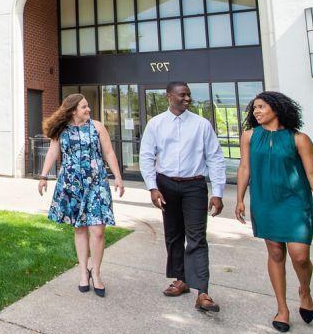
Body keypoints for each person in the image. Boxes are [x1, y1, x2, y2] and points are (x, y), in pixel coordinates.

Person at [234, 91, 313, 333]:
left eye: (261, 107)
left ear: (277, 109)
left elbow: (312, 175)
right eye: (254, 108)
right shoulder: (249, 136)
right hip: (265, 202)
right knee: (276, 252)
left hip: (295, 203)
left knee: (300, 256)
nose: (256, 111)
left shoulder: (299, 139)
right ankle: (282, 308)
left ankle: (305, 290)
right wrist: (240, 199)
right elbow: (244, 168)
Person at [139, 81, 226, 313]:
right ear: (169, 96)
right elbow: (146, 156)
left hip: (194, 186)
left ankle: (203, 292)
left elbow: (215, 158)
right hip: (166, 185)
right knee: (173, 235)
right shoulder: (155, 124)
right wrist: (152, 187)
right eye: (182, 95)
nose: (187, 98)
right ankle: (181, 280)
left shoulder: (201, 125)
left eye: (188, 95)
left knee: (197, 237)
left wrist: (217, 192)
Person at [38, 93, 124, 297]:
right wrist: (43, 176)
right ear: (73, 110)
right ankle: (83, 273)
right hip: (72, 184)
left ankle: (97, 272)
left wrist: (118, 177)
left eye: (88, 106)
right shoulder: (61, 130)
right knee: (80, 229)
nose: (88, 110)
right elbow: (52, 152)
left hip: (96, 183)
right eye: (84, 107)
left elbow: (109, 152)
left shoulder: (97, 127)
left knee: (98, 230)